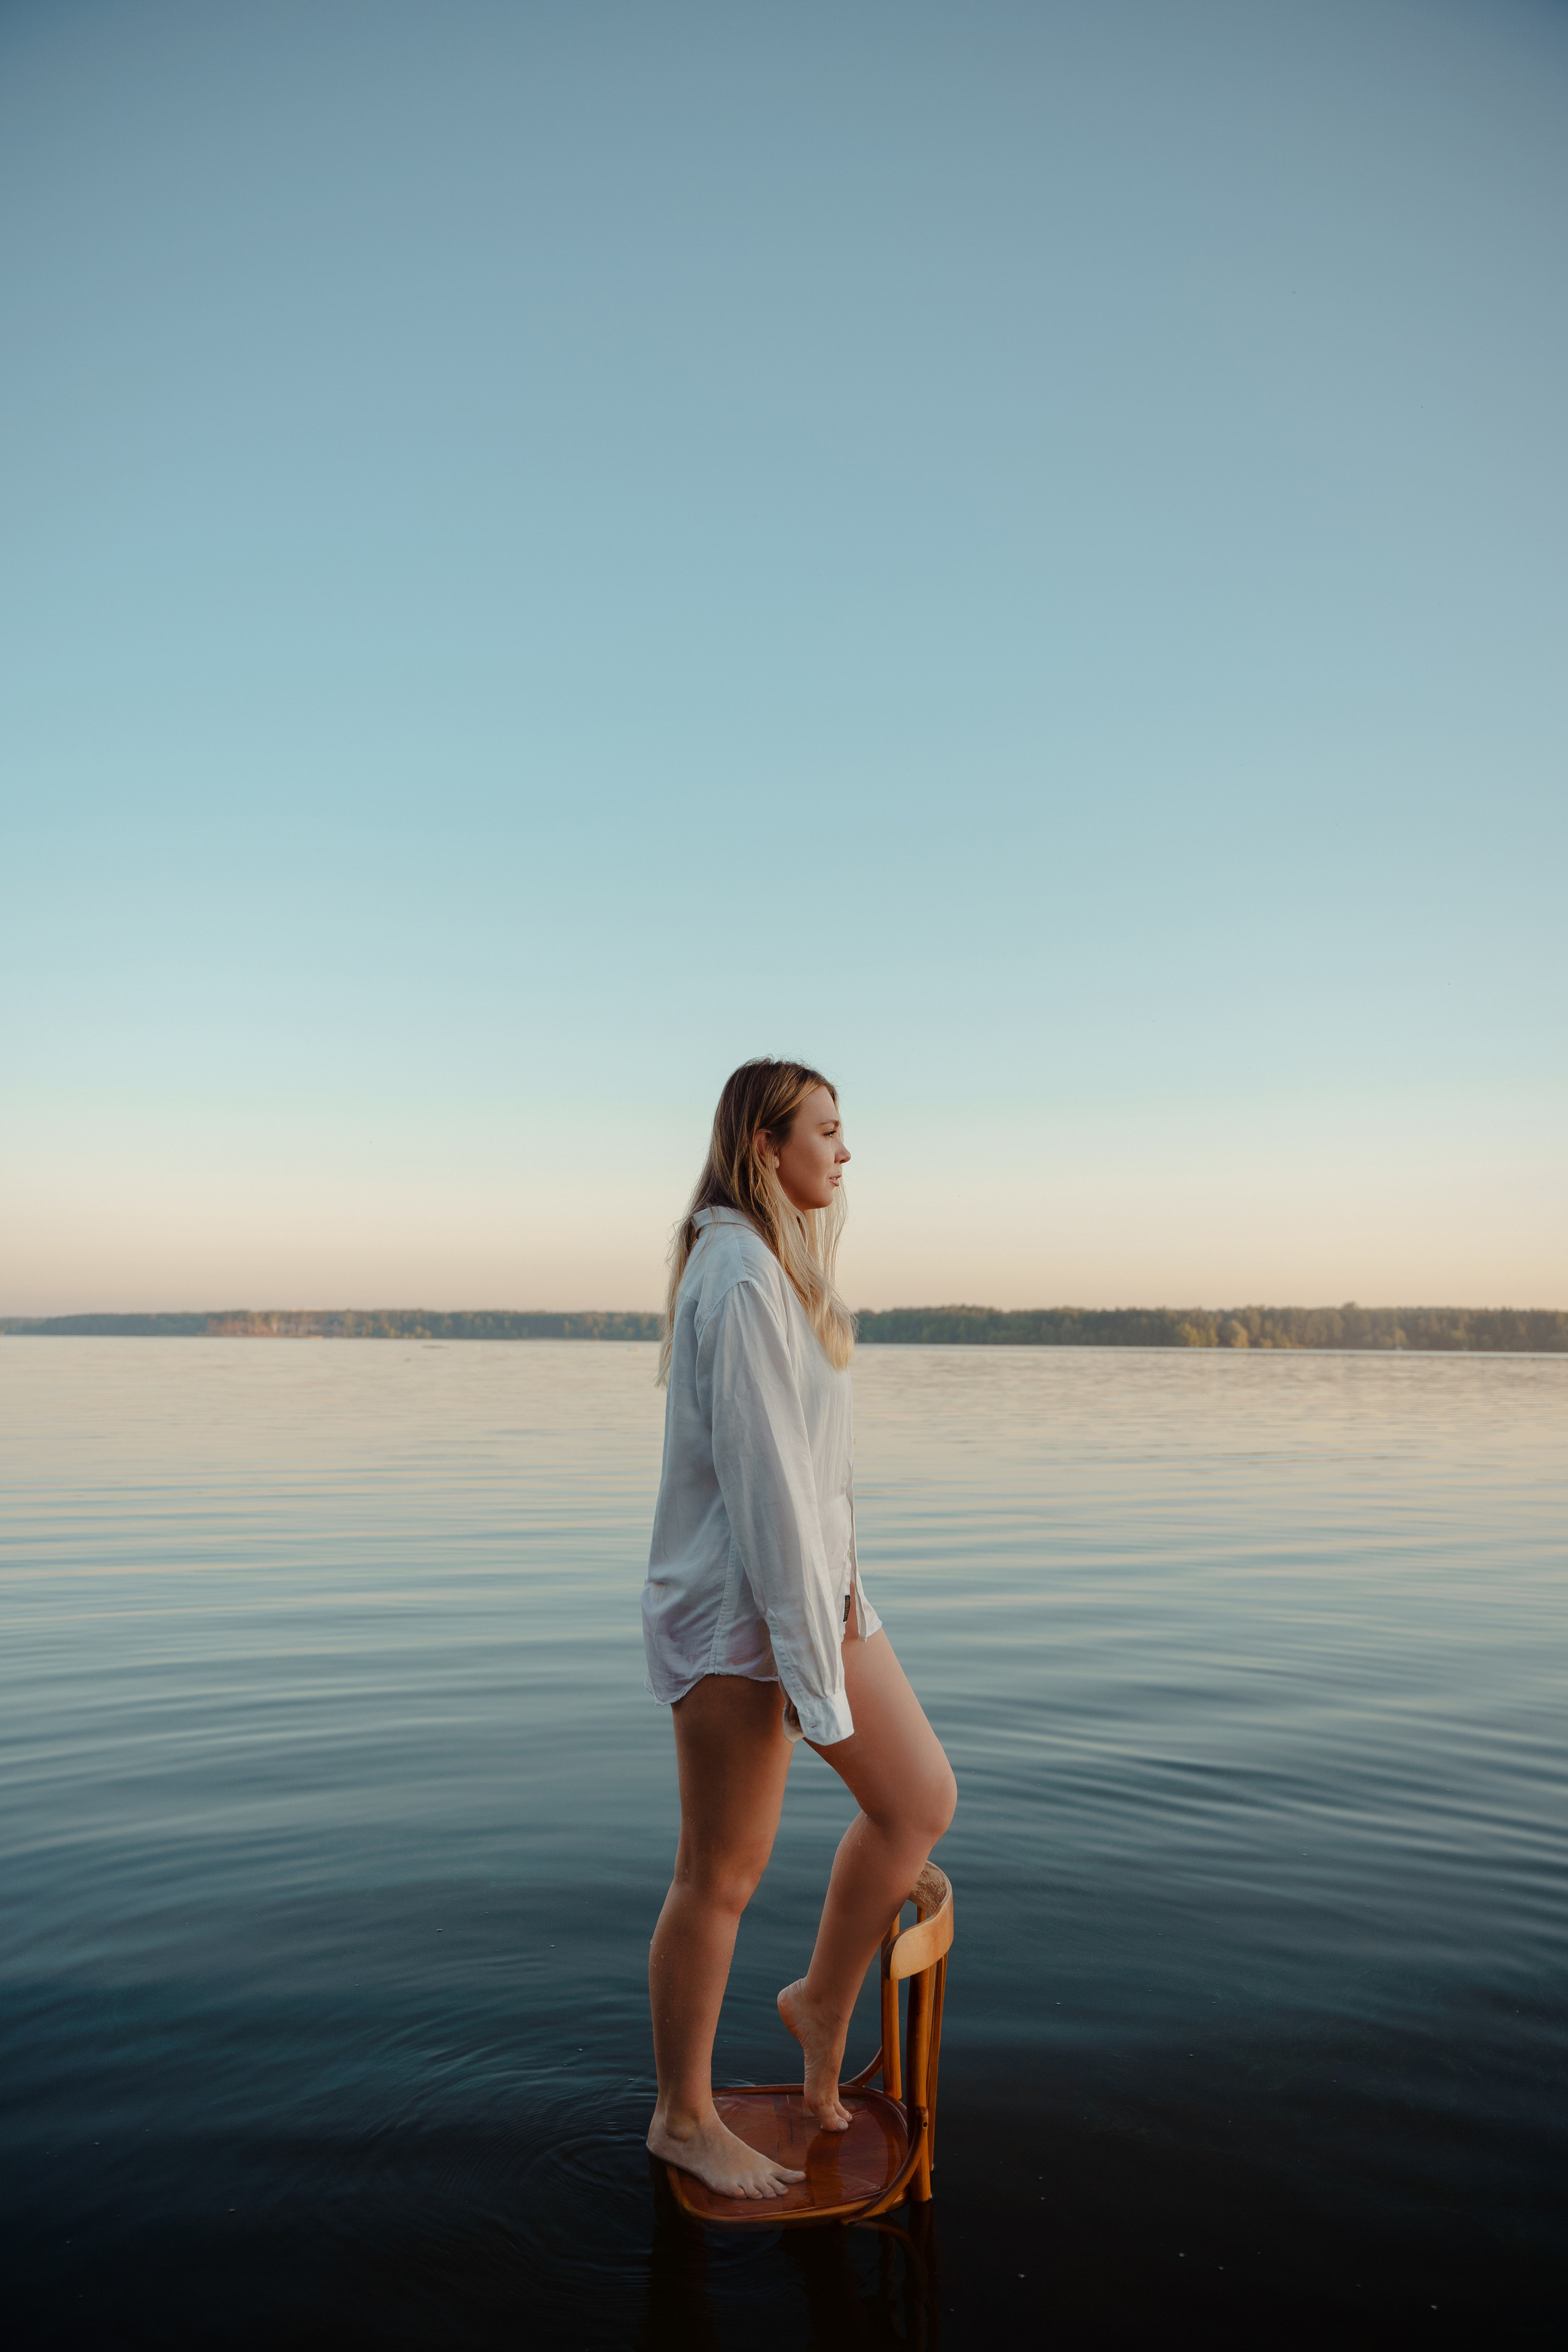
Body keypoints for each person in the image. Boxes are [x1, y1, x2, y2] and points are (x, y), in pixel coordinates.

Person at [642, 1058, 957, 2199]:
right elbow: (768, 1492)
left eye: (844, 1128)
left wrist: (839, 1622)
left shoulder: (773, 1270)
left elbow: (813, 1491)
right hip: (743, 1617)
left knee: (919, 1799)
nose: (845, 1148)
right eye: (826, 1129)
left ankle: (820, 2002)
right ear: (765, 1146)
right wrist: (814, 1684)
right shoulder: (733, 1275)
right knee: (717, 1875)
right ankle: (683, 2115)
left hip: (816, 1600)